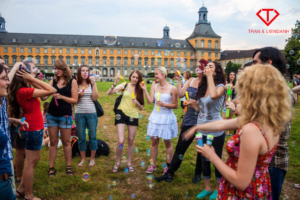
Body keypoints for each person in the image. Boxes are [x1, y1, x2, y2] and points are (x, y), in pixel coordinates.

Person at [183, 64, 292, 199]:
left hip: (243, 193)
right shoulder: (269, 120)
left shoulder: (251, 130)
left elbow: (241, 182)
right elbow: (222, 123)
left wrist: (211, 155)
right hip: (260, 184)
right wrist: (197, 127)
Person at [8, 60, 56, 200]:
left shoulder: (24, 90)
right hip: (33, 129)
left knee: (34, 160)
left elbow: (44, 96)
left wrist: (31, 80)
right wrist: (32, 79)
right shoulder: (25, 91)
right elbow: (52, 90)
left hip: (34, 128)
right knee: (30, 163)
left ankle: (21, 189)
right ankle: (28, 196)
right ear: (23, 77)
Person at [155, 59, 207, 183]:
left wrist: (197, 104)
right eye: (197, 66)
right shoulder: (191, 80)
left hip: (203, 120)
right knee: (180, 148)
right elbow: (180, 94)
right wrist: (178, 82)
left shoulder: (208, 84)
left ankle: (198, 173)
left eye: (201, 66)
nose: (198, 68)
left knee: (201, 149)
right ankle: (170, 173)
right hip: (189, 119)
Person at [252, 47, 295, 200]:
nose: (252, 67)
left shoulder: (280, 91)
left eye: (255, 62)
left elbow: (274, 130)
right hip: (264, 159)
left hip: (273, 161)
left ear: (268, 63)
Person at [186, 61, 226, 199]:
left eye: (210, 67)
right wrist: (194, 105)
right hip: (201, 127)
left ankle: (217, 189)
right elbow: (202, 109)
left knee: (216, 159)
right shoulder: (202, 87)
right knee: (204, 159)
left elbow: (214, 96)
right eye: (206, 66)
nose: (207, 68)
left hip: (216, 129)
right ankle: (207, 188)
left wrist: (209, 77)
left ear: (216, 71)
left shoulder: (221, 87)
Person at [140, 66, 178, 174]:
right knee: (154, 142)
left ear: (163, 75)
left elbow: (175, 106)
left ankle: (168, 166)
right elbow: (150, 101)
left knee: (167, 143)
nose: (155, 76)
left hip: (166, 118)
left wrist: (164, 104)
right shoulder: (154, 85)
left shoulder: (172, 88)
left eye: (156, 74)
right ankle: (153, 165)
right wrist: (144, 90)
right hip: (155, 117)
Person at [0, 63, 29, 200]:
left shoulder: (1, 102)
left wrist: (13, 120)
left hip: (6, 163)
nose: (8, 83)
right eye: (3, 79)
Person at [45, 60, 78, 177]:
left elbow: (75, 100)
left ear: (64, 69)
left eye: (58, 68)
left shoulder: (72, 82)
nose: (56, 71)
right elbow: (44, 97)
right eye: (55, 68)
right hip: (52, 115)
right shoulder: (53, 81)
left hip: (65, 116)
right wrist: (43, 89)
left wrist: (62, 97)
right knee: (53, 142)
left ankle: (68, 167)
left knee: (66, 142)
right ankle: (51, 167)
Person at [107, 70, 144, 173]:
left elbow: (141, 108)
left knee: (131, 140)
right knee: (121, 141)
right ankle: (118, 163)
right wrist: (115, 82)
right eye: (133, 77)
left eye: (137, 78)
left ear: (139, 79)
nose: (135, 79)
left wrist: (136, 102)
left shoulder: (141, 89)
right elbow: (109, 93)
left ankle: (129, 163)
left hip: (133, 115)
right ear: (130, 77)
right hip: (121, 113)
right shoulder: (124, 85)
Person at [75, 65, 99, 167]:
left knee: (92, 136)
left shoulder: (92, 84)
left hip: (92, 114)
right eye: (83, 70)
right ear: (79, 73)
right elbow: (74, 100)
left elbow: (95, 98)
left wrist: (94, 84)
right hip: (79, 114)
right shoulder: (75, 84)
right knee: (81, 137)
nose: (85, 72)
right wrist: (78, 96)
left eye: (86, 70)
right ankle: (83, 158)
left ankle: (92, 159)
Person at [222, 71, 236, 136]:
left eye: (233, 75)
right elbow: (227, 95)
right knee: (224, 118)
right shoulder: (226, 84)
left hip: (233, 102)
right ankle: (222, 133)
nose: (232, 76)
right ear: (229, 76)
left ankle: (227, 132)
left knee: (229, 118)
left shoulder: (236, 85)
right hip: (227, 102)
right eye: (231, 74)